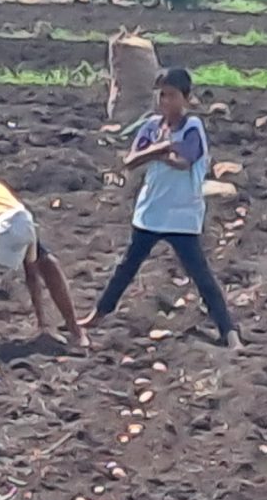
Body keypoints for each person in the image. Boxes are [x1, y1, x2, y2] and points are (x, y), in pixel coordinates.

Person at [84, 68, 242, 347]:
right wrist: (162, 148)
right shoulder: (152, 126)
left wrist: (157, 150)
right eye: (162, 96)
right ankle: (98, 314)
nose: (165, 102)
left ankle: (229, 332)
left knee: (201, 276)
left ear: (186, 98)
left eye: (171, 96)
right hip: (151, 211)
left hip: (182, 215)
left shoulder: (192, 127)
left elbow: (185, 161)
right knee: (126, 268)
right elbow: (131, 160)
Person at [0, 178, 87, 349]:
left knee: (47, 262)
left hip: (2, 203)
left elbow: (32, 274)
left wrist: (42, 324)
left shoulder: (24, 228)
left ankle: (74, 327)